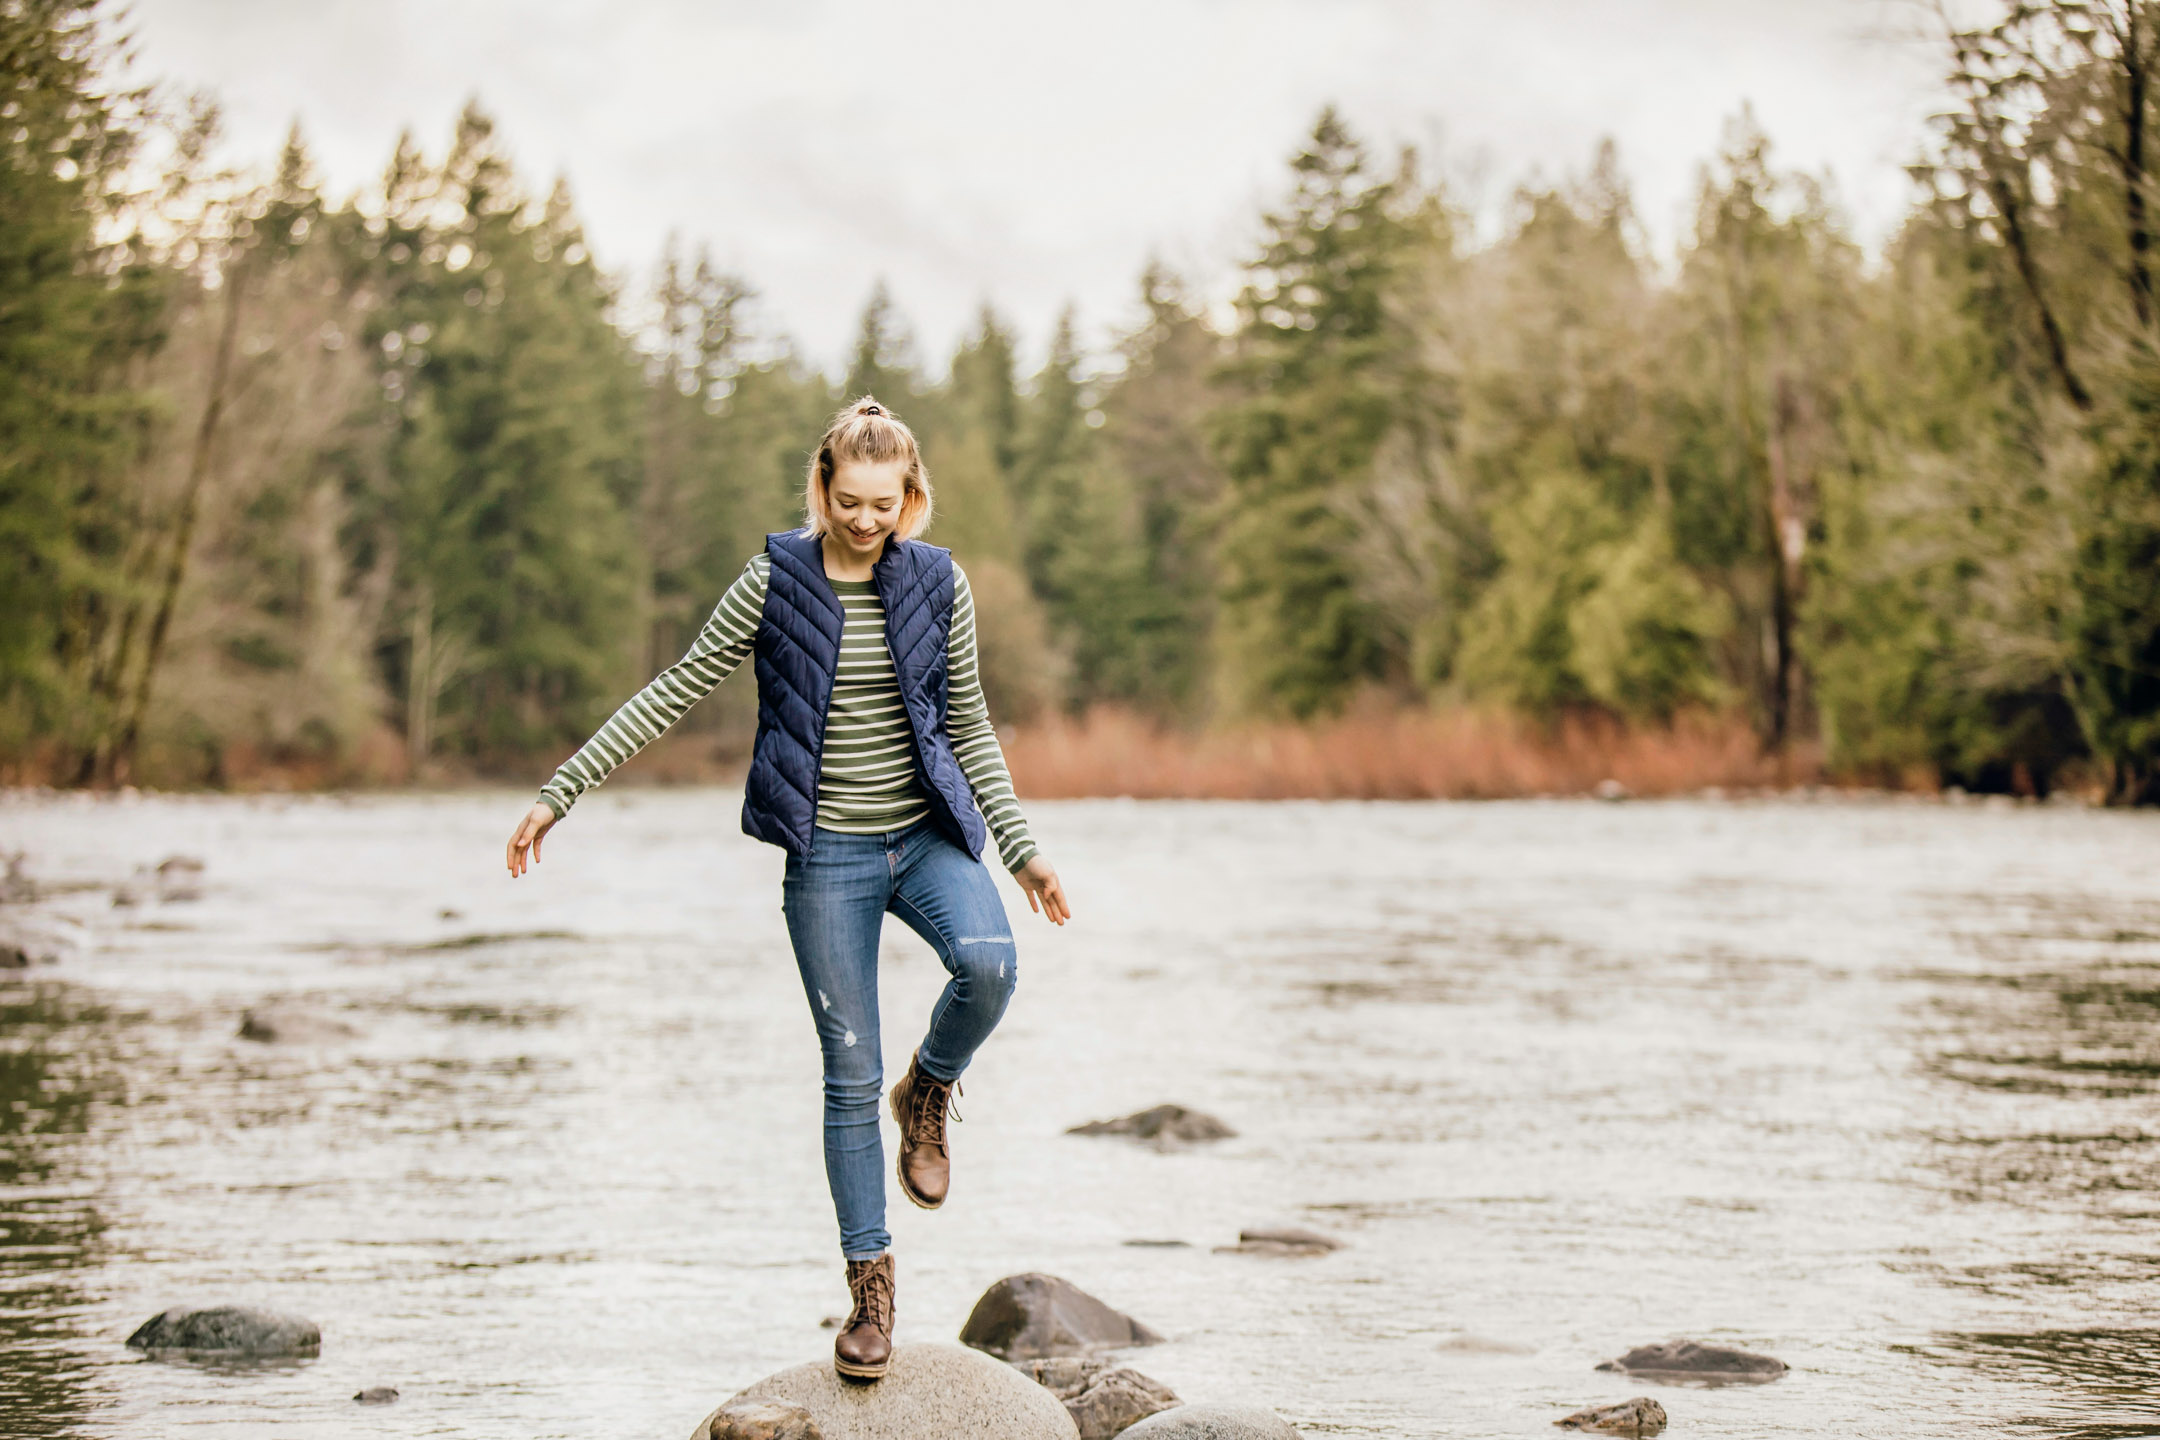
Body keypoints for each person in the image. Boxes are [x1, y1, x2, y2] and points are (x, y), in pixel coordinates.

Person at [503, 397, 1070, 1382]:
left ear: (911, 495)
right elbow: (675, 687)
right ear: (822, 486)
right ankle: (870, 1294)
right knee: (848, 1074)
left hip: (926, 837)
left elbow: (971, 725)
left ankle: (929, 1089)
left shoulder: (940, 583)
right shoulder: (774, 580)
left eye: (883, 504)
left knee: (989, 963)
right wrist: (563, 791)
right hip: (828, 859)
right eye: (848, 501)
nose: (863, 520)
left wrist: (1021, 852)